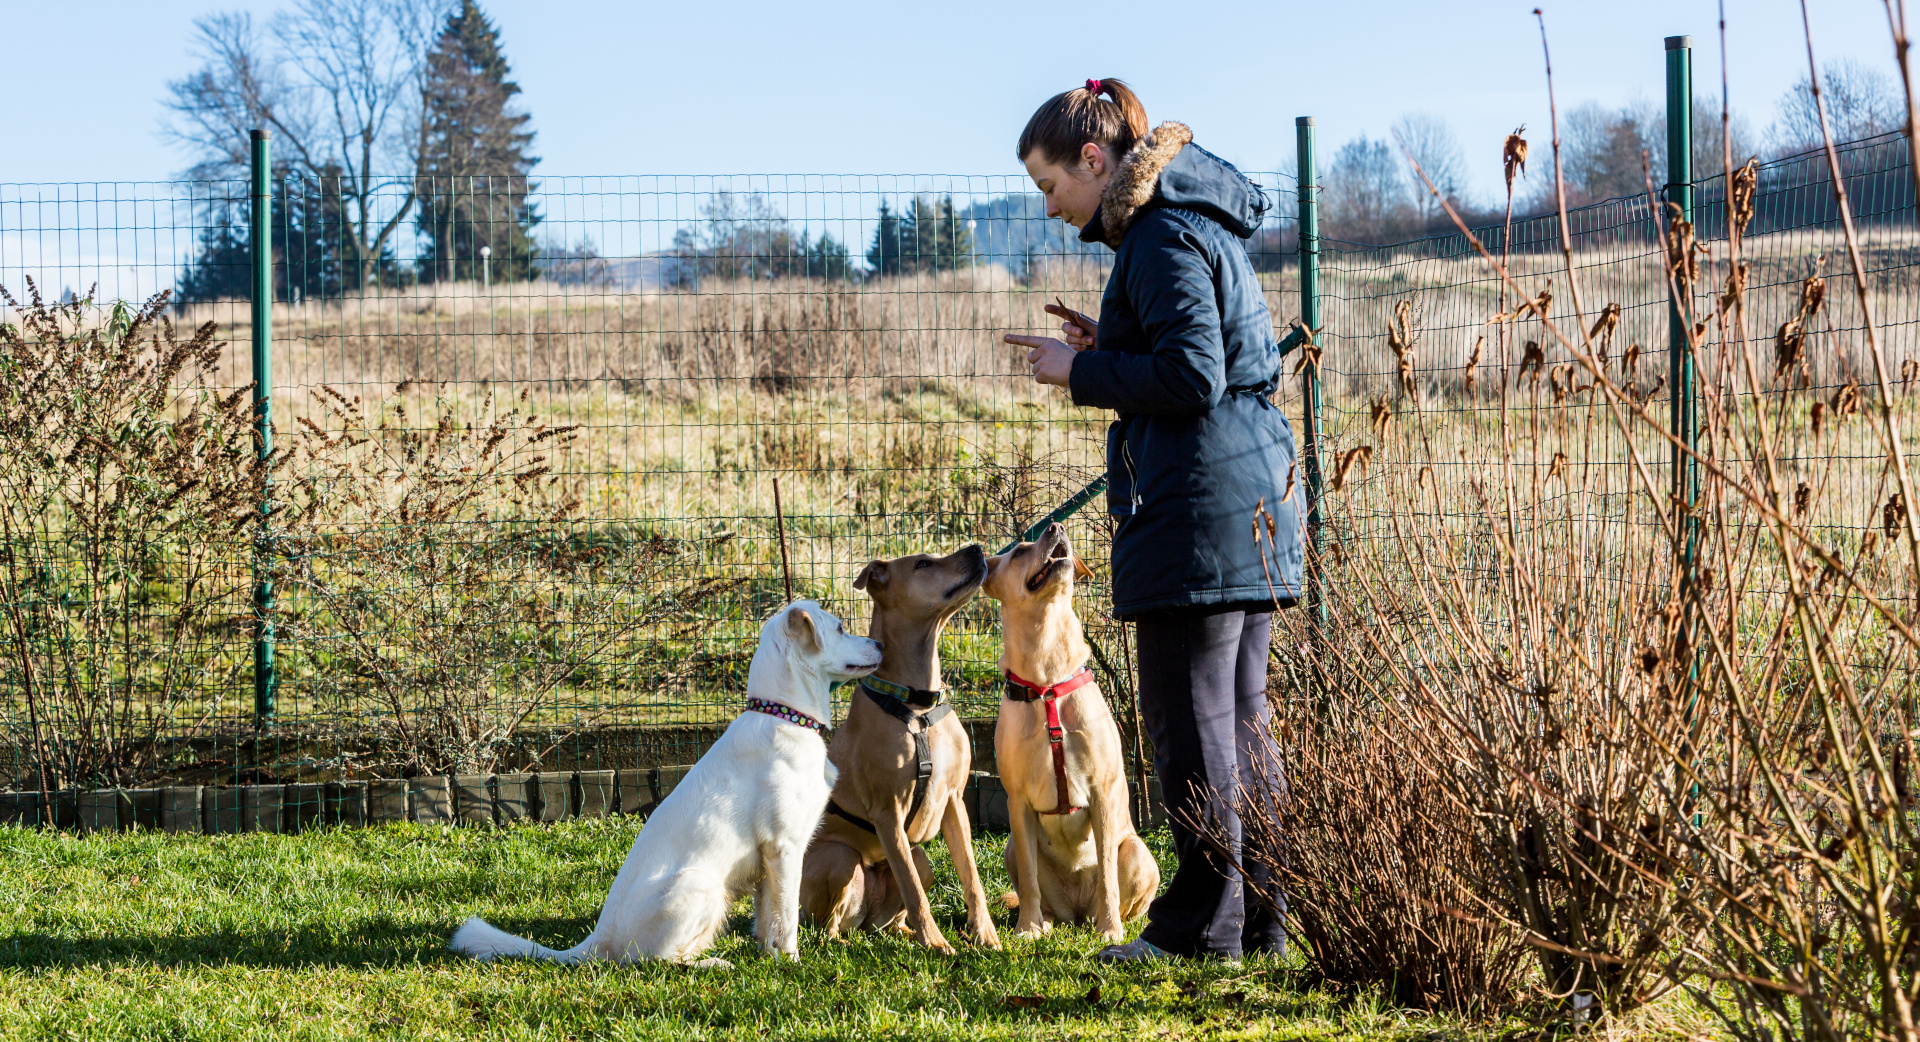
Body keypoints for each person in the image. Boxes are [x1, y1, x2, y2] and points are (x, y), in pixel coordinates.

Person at [1004, 78, 1303, 962]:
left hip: (1199, 511)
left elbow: (1193, 379)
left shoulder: (1161, 234)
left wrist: (1080, 373)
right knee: (1242, 722)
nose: (1052, 208)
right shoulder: (1187, 218)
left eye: (1051, 186)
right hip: (1247, 496)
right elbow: (1199, 356)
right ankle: (1262, 920)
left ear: (1094, 160)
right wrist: (1115, 344)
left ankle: (1197, 929)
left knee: (1193, 725)